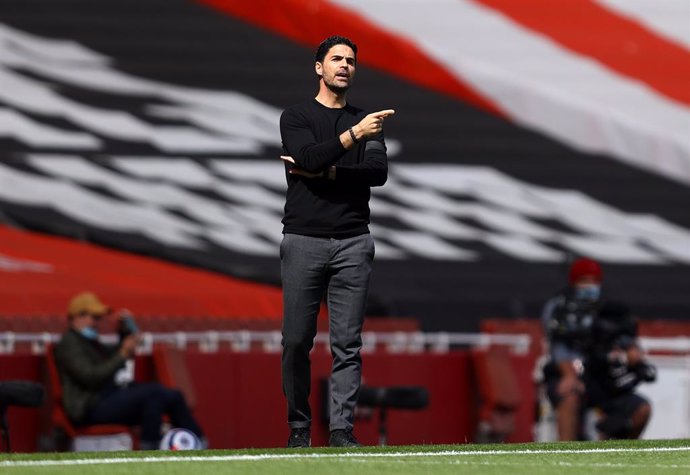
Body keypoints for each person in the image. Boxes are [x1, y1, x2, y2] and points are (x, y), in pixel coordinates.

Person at [278, 35, 394, 448]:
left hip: (352, 241)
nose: (345, 65)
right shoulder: (296, 116)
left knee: (347, 344)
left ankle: (342, 430)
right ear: (319, 68)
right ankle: (298, 427)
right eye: (336, 59)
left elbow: (376, 173)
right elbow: (307, 156)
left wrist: (324, 172)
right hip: (304, 239)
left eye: (350, 60)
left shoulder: (368, 119)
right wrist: (352, 139)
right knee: (295, 341)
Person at [54, 291, 205, 450]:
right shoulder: (69, 344)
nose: (98, 323)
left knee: (172, 395)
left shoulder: (88, 341)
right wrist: (123, 353)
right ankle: (150, 448)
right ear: (78, 316)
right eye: (95, 318)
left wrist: (124, 334)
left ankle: (199, 442)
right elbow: (92, 376)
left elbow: (111, 355)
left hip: (104, 398)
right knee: (153, 395)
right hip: (89, 407)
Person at [541, 257, 603, 440]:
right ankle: (568, 458)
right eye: (584, 281)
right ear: (574, 282)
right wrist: (570, 374)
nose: (589, 287)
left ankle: (611, 460)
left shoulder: (604, 309)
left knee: (622, 402)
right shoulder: (559, 309)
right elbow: (558, 346)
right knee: (569, 397)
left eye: (594, 281)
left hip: (598, 374)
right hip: (566, 373)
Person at [585, 302, 655, 439]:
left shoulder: (628, 350)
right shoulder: (595, 347)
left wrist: (636, 363)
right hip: (595, 399)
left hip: (620, 399)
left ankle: (626, 449)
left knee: (642, 408)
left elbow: (650, 374)